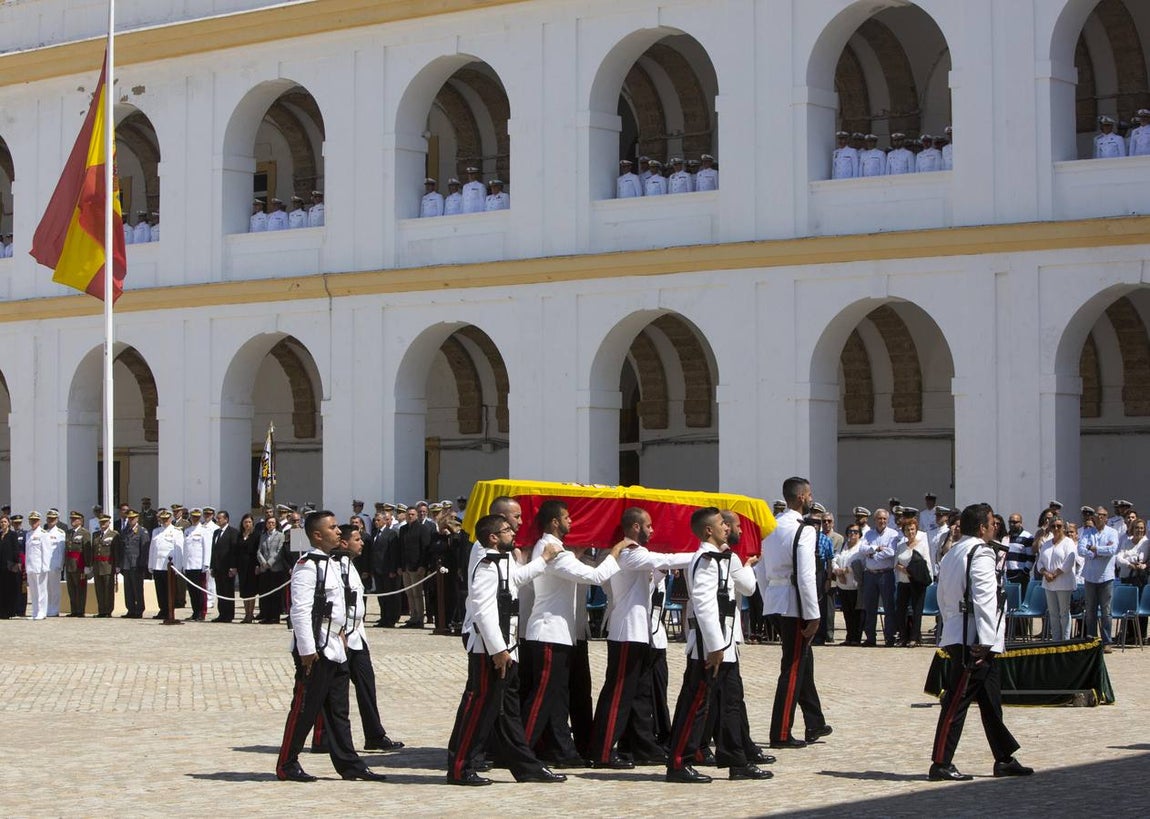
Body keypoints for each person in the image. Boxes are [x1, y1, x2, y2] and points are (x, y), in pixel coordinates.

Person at [446, 514, 565, 785]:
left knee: (502, 711)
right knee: (479, 708)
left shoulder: (503, 561)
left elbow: (516, 579)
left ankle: (525, 766)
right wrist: (498, 650)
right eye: (507, 530)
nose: (514, 533)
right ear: (492, 537)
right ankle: (460, 768)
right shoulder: (487, 565)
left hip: (506, 648)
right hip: (491, 652)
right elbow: (483, 610)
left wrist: (543, 560)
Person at [275, 511, 386, 782]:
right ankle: (287, 763)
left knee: (339, 710)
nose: (339, 532)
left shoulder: (332, 563)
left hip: (336, 644)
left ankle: (349, 764)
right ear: (317, 535)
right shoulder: (308, 564)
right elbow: (300, 610)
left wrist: (344, 634)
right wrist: (306, 649)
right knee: (304, 708)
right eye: (333, 528)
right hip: (317, 648)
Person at [929, 503, 1032, 782]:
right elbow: (985, 598)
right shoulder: (980, 552)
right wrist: (986, 641)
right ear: (983, 527)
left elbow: (943, 596)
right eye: (992, 523)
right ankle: (940, 763)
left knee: (990, 701)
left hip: (959, 631)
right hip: (974, 638)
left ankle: (1004, 758)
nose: (995, 527)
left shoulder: (954, 551)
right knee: (957, 701)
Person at [663, 508, 766, 784]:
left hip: (726, 644)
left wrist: (738, 559)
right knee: (696, 704)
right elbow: (704, 604)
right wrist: (715, 646)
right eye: (722, 524)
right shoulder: (705, 559)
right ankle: (678, 763)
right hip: (710, 648)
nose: (727, 528)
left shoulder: (725, 557)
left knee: (731, 703)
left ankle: (736, 760)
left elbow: (748, 587)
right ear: (709, 530)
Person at [589, 507, 693, 769]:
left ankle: (640, 746)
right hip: (627, 632)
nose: (652, 530)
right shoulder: (629, 553)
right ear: (635, 527)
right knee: (619, 694)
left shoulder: (634, 555)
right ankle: (602, 751)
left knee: (638, 696)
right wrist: (703, 554)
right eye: (648, 526)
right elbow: (666, 561)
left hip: (639, 633)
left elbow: (652, 577)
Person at [521, 500, 623, 766]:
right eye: (567, 518)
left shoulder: (557, 550)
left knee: (556, 698)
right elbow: (595, 576)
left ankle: (561, 750)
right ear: (555, 522)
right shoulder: (553, 550)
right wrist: (616, 550)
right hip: (548, 633)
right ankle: (521, 752)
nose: (572, 522)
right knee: (542, 698)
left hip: (557, 634)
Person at [312, 525, 405, 753]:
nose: (361, 542)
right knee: (333, 691)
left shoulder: (351, 564)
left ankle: (374, 734)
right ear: (343, 543)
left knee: (366, 685)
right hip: (340, 636)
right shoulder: (332, 565)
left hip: (357, 636)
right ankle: (323, 738)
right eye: (356, 539)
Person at [756, 477, 830, 749]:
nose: (811, 498)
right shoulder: (805, 530)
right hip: (796, 602)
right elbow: (806, 575)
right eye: (809, 494)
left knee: (802, 661)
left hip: (777, 599)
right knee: (793, 667)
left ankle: (814, 722)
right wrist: (814, 613)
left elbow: (760, 570)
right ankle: (781, 732)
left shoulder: (772, 527)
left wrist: (768, 600)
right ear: (801, 498)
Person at [1077, 505, 1119, 652]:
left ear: (1106, 518)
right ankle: (1092, 639)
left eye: (1103, 515)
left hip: (1106, 577)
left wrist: (1094, 548)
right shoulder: (1088, 532)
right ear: (1094, 517)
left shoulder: (1112, 532)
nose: (1100, 517)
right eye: (1097, 515)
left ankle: (1107, 641)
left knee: (1106, 611)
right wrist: (1098, 552)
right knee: (1090, 610)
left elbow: (1112, 550)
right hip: (1090, 576)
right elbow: (1081, 550)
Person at [860, 507, 899, 646]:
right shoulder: (869, 534)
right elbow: (862, 549)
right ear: (875, 520)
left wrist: (872, 555)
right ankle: (870, 637)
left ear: (887, 520)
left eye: (884, 519)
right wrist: (876, 548)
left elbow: (891, 552)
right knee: (870, 608)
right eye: (879, 518)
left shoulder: (893, 534)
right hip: (870, 575)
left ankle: (889, 637)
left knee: (889, 607)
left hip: (886, 574)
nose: (882, 521)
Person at [892, 513, 932, 647]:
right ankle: (903, 636)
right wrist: (902, 569)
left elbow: (926, 564)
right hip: (903, 582)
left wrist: (913, 572)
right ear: (904, 531)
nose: (910, 532)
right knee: (901, 611)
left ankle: (914, 637)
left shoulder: (922, 545)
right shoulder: (900, 546)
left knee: (916, 611)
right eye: (908, 529)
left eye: (913, 529)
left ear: (916, 530)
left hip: (917, 583)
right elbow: (895, 563)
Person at [1036, 516, 1076, 642]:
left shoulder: (1068, 542)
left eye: (1059, 526)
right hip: (1048, 583)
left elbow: (1069, 562)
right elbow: (1040, 562)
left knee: (1064, 612)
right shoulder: (1047, 544)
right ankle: (1056, 639)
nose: (1056, 528)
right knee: (1053, 613)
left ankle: (1065, 640)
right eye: (1053, 526)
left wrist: (1055, 574)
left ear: (1063, 527)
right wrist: (1045, 573)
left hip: (1063, 582)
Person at [397, 506, 430, 628]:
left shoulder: (422, 528)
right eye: (408, 514)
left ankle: (419, 618)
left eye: (412, 514)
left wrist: (422, 565)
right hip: (406, 566)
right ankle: (413, 616)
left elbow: (424, 549)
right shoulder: (403, 529)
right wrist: (400, 565)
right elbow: (400, 549)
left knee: (417, 593)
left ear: (416, 516)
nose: (410, 516)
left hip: (416, 566)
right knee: (409, 593)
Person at [831, 524, 864, 645]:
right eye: (850, 531)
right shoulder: (843, 545)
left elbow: (859, 562)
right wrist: (838, 572)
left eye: (856, 532)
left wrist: (845, 571)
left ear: (859, 534)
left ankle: (856, 638)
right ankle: (849, 636)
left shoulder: (861, 547)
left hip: (855, 585)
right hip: (842, 585)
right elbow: (834, 559)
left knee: (856, 613)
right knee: (847, 613)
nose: (853, 534)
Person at [148, 509, 182, 618]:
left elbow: (179, 550)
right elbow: (152, 549)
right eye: (163, 519)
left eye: (166, 519)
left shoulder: (177, 531)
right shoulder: (156, 531)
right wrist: (151, 564)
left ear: (171, 519)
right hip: (158, 565)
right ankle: (162, 609)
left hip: (169, 566)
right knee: (160, 590)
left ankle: (169, 610)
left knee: (169, 590)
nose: (165, 521)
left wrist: (178, 567)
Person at [118, 510, 150, 618]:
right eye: (129, 518)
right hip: (126, 564)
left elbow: (144, 550)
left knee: (137, 589)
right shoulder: (125, 531)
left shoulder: (142, 531)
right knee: (128, 589)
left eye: (133, 518)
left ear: (137, 518)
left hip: (136, 564)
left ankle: (139, 610)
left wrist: (142, 564)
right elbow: (122, 548)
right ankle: (130, 609)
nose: (131, 520)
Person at [256, 515, 287, 625]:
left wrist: (270, 562)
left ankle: (275, 617)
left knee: (275, 594)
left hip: (276, 568)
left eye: (273, 523)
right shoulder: (263, 536)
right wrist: (263, 562)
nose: (270, 525)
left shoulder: (280, 535)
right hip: (265, 569)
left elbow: (279, 552)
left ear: (276, 524)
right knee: (266, 593)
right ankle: (267, 616)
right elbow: (259, 551)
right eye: (269, 523)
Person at [210, 511, 240, 622]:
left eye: (219, 518)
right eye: (217, 518)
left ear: (226, 519)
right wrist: (212, 566)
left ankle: (229, 614)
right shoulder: (216, 532)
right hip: (218, 568)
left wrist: (233, 566)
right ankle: (222, 613)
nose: (218, 520)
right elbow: (214, 550)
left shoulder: (233, 532)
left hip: (228, 568)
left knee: (228, 592)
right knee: (220, 591)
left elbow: (233, 551)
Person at [91, 514, 121, 617]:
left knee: (108, 589)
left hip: (108, 565)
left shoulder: (114, 534)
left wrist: (117, 565)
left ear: (109, 523)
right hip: (97, 566)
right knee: (99, 589)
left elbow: (116, 551)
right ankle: (101, 610)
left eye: (105, 522)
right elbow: (93, 550)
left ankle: (108, 611)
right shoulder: (95, 535)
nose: (102, 524)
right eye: (101, 522)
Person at [64, 511, 93, 616]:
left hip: (79, 564)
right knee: (71, 589)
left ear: (80, 521)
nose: (72, 521)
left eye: (75, 519)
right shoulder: (68, 532)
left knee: (80, 589)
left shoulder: (84, 533)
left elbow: (87, 550)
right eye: (71, 519)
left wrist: (87, 565)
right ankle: (74, 610)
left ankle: (80, 610)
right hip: (70, 564)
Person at [236, 513, 260, 624]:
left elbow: (257, 551)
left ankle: (251, 614)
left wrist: (257, 565)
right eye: (245, 522)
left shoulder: (256, 535)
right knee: (244, 591)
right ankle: (246, 613)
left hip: (252, 565)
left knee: (251, 591)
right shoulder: (239, 535)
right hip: (242, 566)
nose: (247, 524)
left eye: (249, 522)